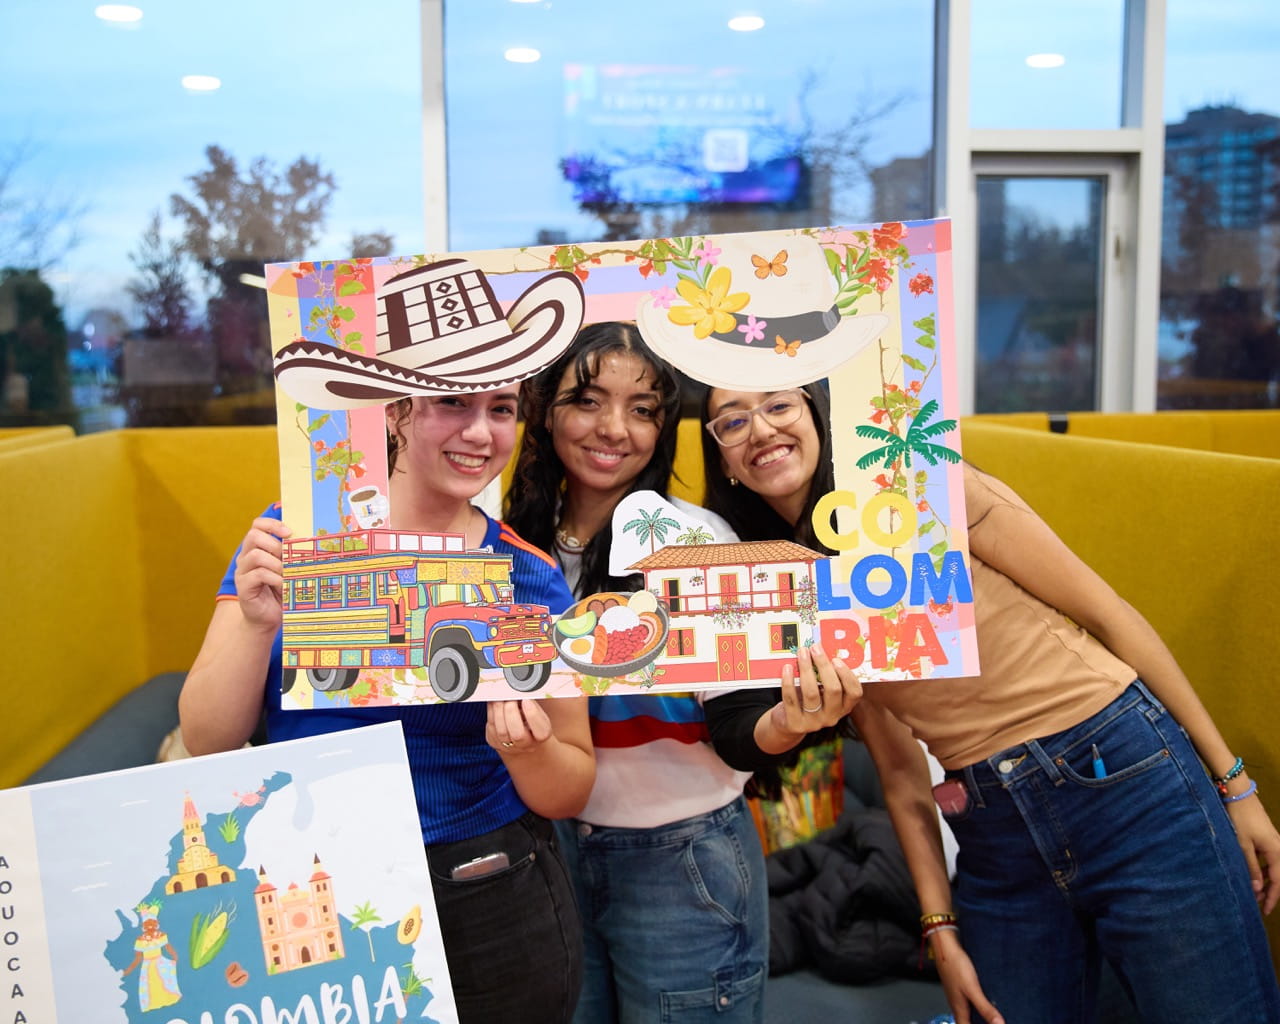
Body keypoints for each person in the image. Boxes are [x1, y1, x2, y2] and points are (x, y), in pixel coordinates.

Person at [699, 382, 1280, 1024]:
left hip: (1122, 772)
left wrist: (1234, 783)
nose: (759, 429)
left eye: (778, 406)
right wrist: (939, 929)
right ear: (722, 459)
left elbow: (1111, 617)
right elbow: (899, 769)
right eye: (731, 422)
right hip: (991, 828)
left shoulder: (925, 493)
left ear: (816, 413)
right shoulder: (788, 591)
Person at [178, 387, 594, 1024]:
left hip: (484, 883)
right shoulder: (298, 538)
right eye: (455, 404)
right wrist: (260, 624)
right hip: (319, 881)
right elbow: (206, 737)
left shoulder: (526, 574)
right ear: (394, 411)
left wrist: (527, 749)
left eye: (502, 410)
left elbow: (570, 788)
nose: (482, 433)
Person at [503, 322, 859, 1022]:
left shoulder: (694, 538)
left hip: (682, 860)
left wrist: (789, 721)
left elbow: (735, 729)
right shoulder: (507, 543)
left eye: (643, 409)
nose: (614, 429)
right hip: (546, 859)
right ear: (544, 409)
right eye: (588, 400)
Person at [121, 909, 181, 1012]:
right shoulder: (140, 940)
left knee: (164, 982)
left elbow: (167, 947)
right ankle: (154, 1004)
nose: (150, 927)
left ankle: (168, 1000)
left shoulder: (160, 936)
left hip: (160, 962)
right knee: (151, 985)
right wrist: (128, 970)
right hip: (148, 966)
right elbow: (138, 957)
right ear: (143, 926)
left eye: (152, 924)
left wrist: (175, 956)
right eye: (147, 924)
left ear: (156, 924)